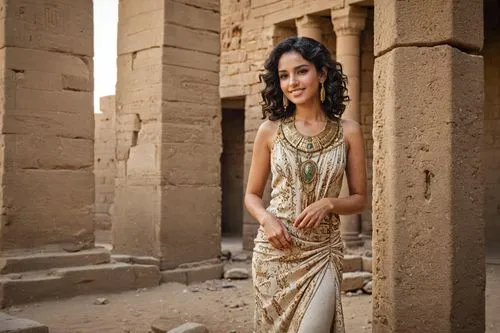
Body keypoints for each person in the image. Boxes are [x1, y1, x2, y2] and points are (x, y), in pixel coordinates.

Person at [244, 36, 367, 333]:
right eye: (284, 75)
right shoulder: (269, 130)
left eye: (301, 71)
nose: (292, 82)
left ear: (321, 73)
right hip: (275, 252)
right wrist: (267, 219)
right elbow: (251, 195)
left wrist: (329, 203)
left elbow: (360, 198)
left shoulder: (349, 132)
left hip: (322, 251)